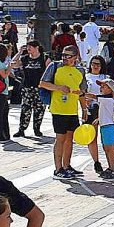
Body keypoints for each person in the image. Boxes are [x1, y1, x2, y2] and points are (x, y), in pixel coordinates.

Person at [40, 47, 89, 179]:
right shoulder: (54, 66)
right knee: (60, 138)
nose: (64, 58)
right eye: (63, 55)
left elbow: (82, 91)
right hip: (58, 109)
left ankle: (67, 166)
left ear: (75, 57)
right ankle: (58, 169)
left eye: (68, 56)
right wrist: (58, 88)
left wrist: (84, 109)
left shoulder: (80, 70)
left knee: (70, 139)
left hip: (72, 110)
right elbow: (42, 83)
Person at [13, 41, 48, 138]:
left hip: (40, 87)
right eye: (27, 46)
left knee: (39, 109)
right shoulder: (25, 58)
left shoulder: (44, 58)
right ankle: (22, 129)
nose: (28, 48)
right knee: (25, 109)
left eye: (31, 47)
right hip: (27, 87)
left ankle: (37, 128)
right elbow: (13, 64)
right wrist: (19, 52)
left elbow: (50, 72)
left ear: (37, 47)